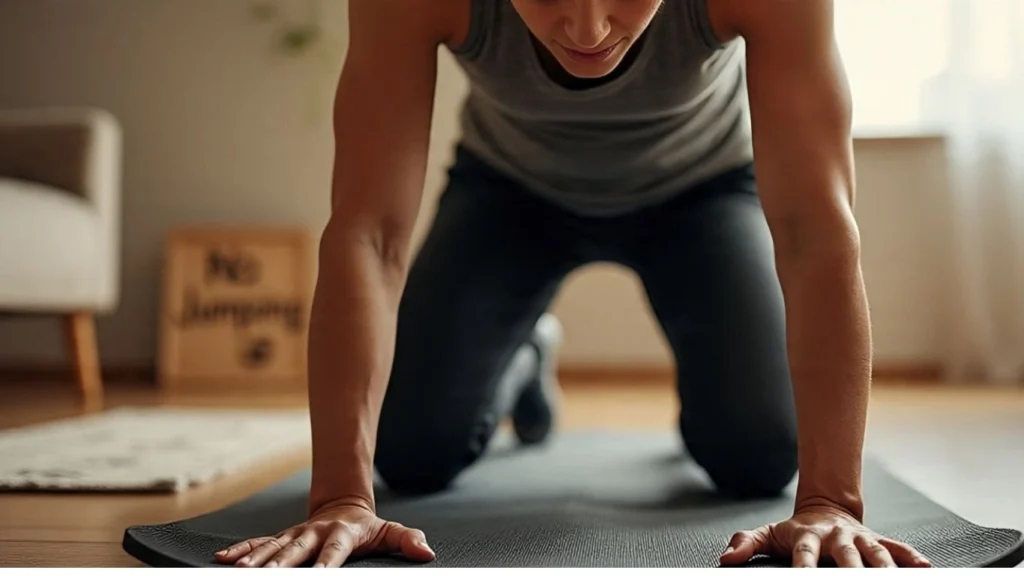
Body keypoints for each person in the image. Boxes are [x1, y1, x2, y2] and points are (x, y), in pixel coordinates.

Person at [215, 0, 934, 568]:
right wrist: (340, 496)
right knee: (408, 453)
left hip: (703, 191)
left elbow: (815, 232)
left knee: (760, 458)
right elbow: (369, 236)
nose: (588, 28)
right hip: (510, 193)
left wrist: (831, 500)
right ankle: (525, 356)